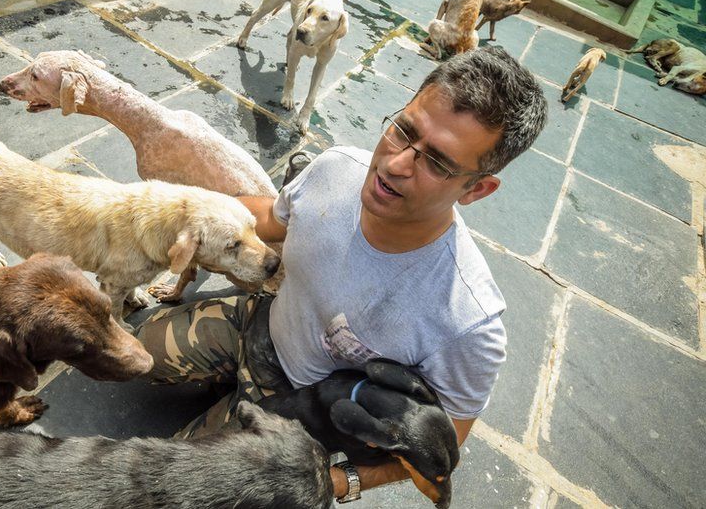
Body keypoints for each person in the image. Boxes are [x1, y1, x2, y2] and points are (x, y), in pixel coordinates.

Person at [135, 45, 547, 502]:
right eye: (403, 130)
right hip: (259, 325)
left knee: (166, 486)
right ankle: (223, 381)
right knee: (132, 354)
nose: (394, 164)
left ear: (477, 189)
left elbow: (445, 446)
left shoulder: (466, 322)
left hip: (301, 409)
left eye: (437, 162)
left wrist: (337, 481)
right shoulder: (337, 168)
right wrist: (166, 210)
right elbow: (271, 218)